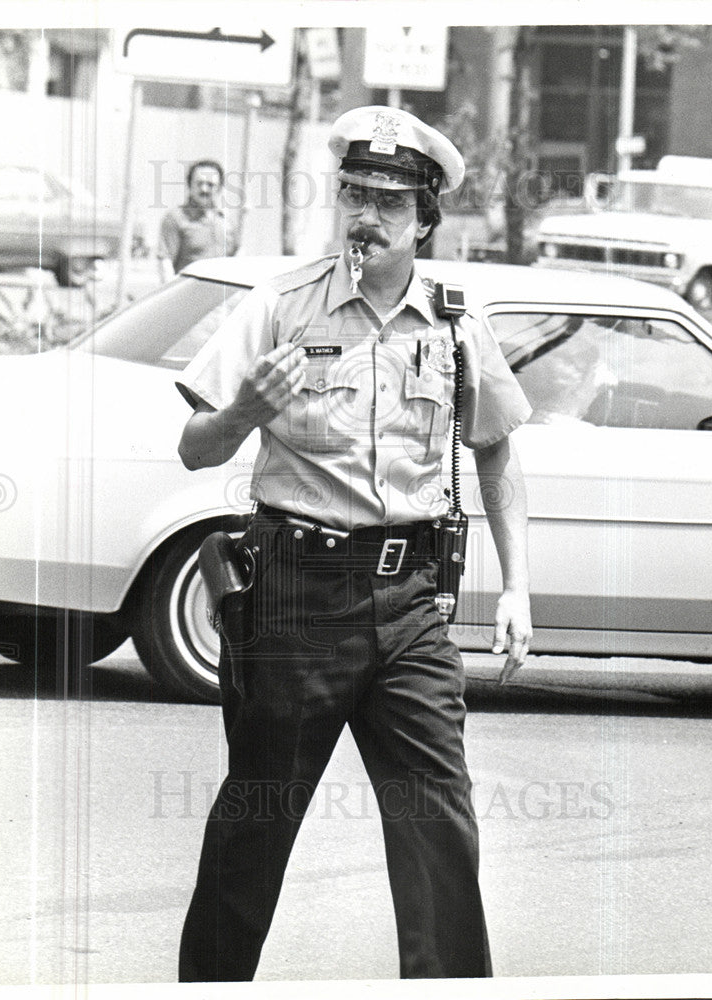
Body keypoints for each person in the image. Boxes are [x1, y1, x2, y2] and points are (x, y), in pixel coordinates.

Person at [174, 105, 533, 981]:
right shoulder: (281, 304)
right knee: (256, 824)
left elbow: (495, 448)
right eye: (354, 194)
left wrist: (518, 585)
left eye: (388, 200)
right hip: (297, 592)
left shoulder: (454, 322)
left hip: (410, 602)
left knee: (439, 825)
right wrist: (245, 412)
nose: (365, 215)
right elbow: (196, 448)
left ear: (424, 220)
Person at [157, 159, 238, 280]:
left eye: (210, 185)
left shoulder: (226, 221)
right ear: (190, 185)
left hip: (222, 295)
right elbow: (165, 263)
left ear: (220, 188)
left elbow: (236, 258)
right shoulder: (176, 218)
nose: (204, 189)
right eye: (199, 183)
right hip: (188, 295)